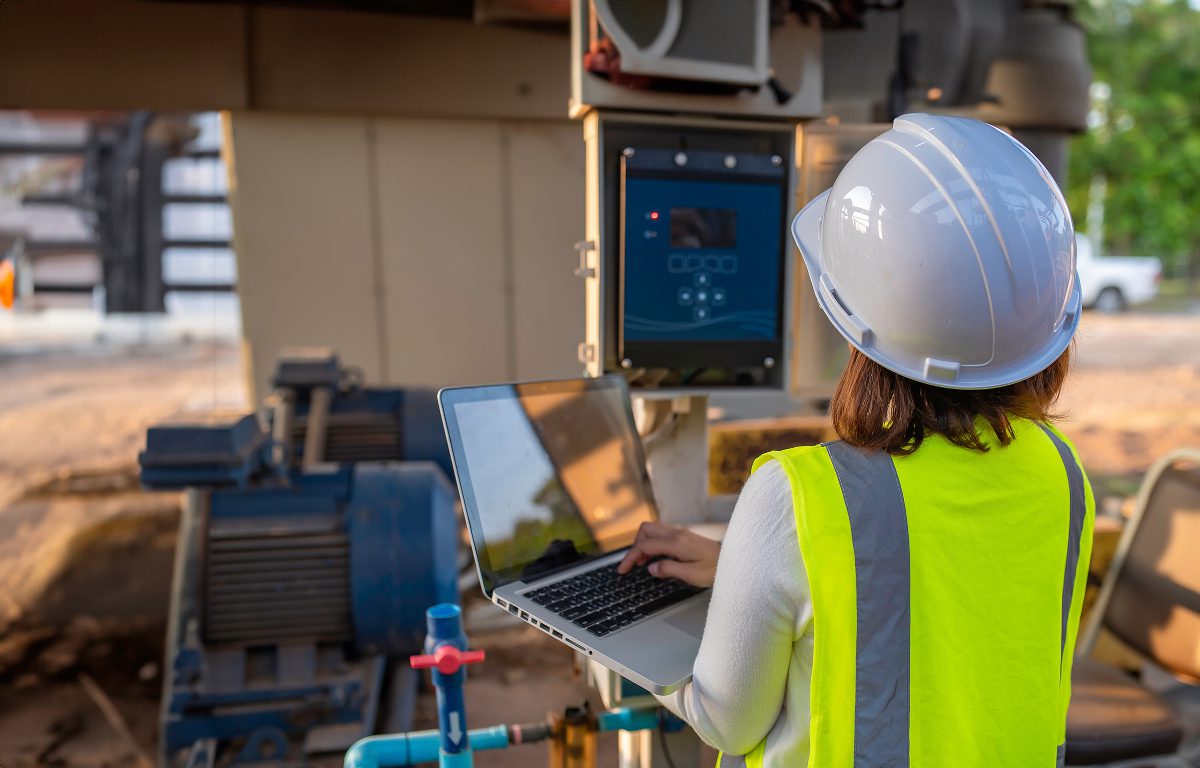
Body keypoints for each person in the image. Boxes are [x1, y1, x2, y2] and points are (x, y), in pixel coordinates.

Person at [618, 114, 1094, 767]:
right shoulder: (1062, 474)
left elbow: (724, 723)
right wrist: (745, 571)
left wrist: (623, 638)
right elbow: (946, 590)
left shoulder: (795, 496)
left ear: (853, 325)